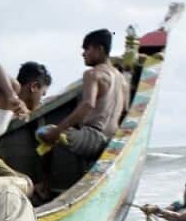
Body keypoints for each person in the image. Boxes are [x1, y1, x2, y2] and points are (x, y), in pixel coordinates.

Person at [35, 29, 128, 200]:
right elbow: (125, 111)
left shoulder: (92, 74)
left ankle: (44, 185)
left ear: (99, 49)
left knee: (43, 132)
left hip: (91, 138)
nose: (83, 53)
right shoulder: (122, 80)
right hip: (110, 142)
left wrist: (56, 132)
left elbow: (88, 104)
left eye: (87, 49)